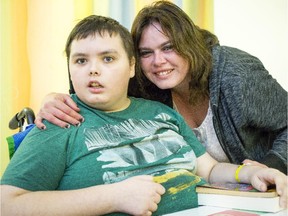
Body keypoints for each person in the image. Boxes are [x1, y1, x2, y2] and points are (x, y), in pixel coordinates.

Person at [1, 15, 287, 216]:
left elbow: (210, 170)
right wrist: (112, 198)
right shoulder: (60, 120)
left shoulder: (161, 112)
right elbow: (7, 204)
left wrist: (252, 171)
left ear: (132, 67)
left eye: (108, 58)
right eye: (80, 60)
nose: (93, 70)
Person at [35, 1, 287, 174]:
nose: (158, 62)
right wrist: (52, 99)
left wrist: (269, 166)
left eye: (168, 48)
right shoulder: (144, 84)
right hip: (203, 194)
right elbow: (92, 85)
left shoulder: (237, 76)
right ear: (135, 61)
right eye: (146, 52)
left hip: (260, 189)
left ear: (189, 43)